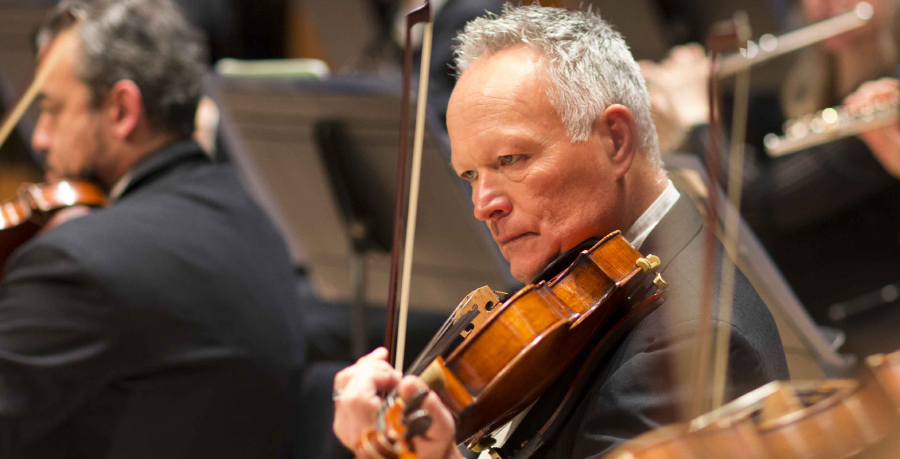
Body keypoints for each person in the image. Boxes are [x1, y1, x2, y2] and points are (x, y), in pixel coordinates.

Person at [332, 5, 789, 458]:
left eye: (510, 160)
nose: (482, 206)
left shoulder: (689, 342)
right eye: (470, 175)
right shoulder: (575, 281)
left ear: (615, 141)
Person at [0, 1, 307, 457]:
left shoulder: (77, 265)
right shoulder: (251, 216)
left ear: (122, 109)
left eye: (52, 110)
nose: (40, 137)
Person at [641, 0, 900, 352]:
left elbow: (762, 200)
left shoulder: (887, 101)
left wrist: (697, 114)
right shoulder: (802, 99)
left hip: (881, 337)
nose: (825, 5)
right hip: (835, 328)